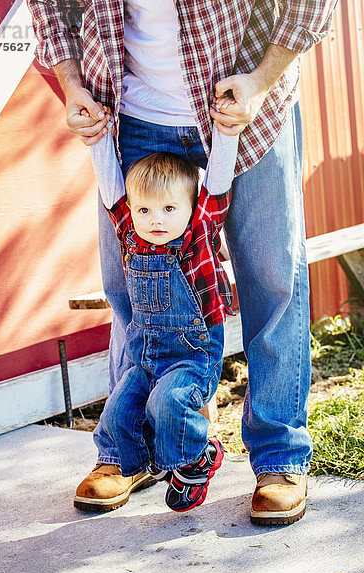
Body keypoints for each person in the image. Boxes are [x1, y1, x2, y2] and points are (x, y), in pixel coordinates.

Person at [27, 0, 338, 525]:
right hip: (130, 114)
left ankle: (280, 455)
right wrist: (74, 85)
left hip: (245, 101)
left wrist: (262, 80)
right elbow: (50, 7)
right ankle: (133, 452)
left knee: (272, 280)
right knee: (131, 290)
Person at [75, 120, 238, 512]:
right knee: (116, 414)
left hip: (190, 355)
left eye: (168, 208)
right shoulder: (131, 235)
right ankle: (153, 464)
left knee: (167, 403)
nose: (156, 220)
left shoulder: (198, 232)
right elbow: (112, 192)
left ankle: (197, 456)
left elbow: (216, 185)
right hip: (145, 358)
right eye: (145, 209)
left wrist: (228, 135)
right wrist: (97, 141)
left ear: (189, 205)